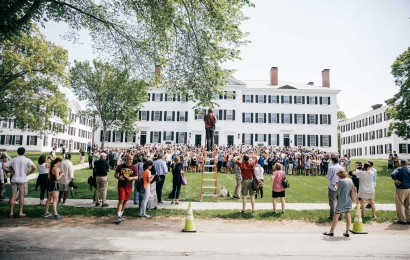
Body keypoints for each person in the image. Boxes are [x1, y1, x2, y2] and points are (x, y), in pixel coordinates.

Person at [2, 147, 36, 218]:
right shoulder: (27, 160)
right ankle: (20, 212)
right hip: (23, 180)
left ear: (17, 152)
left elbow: (4, 166)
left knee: (13, 196)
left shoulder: (13, 160)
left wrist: (11, 171)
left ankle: (11, 212)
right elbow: (34, 167)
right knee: (21, 196)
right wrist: (29, 173)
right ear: (24, 152)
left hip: (14, 179)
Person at [323, 170, 353, 237]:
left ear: (339, 176)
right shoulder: (350, 180)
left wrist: (336, 186)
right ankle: (347, 231)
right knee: (348, 216)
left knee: (336, 216)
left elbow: (338, 191)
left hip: (342, 200)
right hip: (349, 200)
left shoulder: (341, 181)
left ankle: (331, 231)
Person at [114, 154, 138, 222]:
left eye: (132, 159)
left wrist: (131, 178)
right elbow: (115, 175)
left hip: (129, 186)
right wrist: (119, 177)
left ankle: (121, 214)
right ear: (126, 159)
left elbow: (136, 177)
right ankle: (118, 216)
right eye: (129, 159)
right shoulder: (120, 166)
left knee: (125, 201)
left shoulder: (134, 167)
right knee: (121, 200)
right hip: (121, 185)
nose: (131, 161)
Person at [391, 159, 410, 224]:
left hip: (401, 188)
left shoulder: (399, 169)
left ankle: (402, 220)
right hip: (409, 188)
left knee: (400, 204)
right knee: (407, 205)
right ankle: (409, 219)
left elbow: (393, 174)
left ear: (401, 163)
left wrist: (395, 180)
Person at [326, 157, 344, 221]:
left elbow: (328, 177)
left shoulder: (332, 168)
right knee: (340, 201)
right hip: (341, 186)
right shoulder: (342, 167)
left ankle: (332, 215)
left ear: (333, 161)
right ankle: (340, 215)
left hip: (333, 186)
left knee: (332, 201)